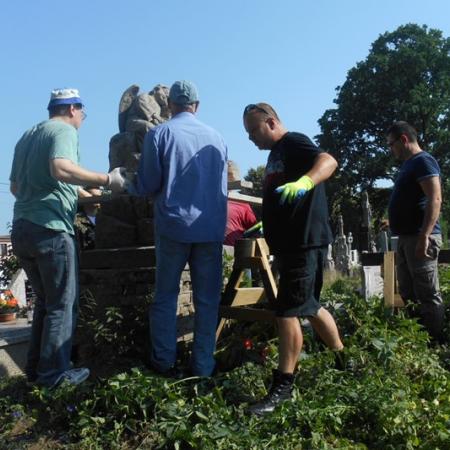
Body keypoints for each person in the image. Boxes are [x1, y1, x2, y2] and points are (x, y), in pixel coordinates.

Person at [9, 88, 126, 388]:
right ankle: (55, 378)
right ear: (73, 109)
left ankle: (35, 373)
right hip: (50, 230)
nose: (82, 121)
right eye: (82, 115)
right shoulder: (63, 130)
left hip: (23, 228)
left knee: (46, 305)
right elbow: (60, 169)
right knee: (63, 305)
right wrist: (107, 179)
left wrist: (84, 196)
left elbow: (16, 187)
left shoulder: (28, 136)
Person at [243, 102, 345, 415]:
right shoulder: (277, 154)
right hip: (293, 242)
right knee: (310, 306)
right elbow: (283, 196)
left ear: (271, 122)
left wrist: (306, 182)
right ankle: (344, 361)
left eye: (253, 131)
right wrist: (269, 220)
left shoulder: (294, 142)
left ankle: (283, 386)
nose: (251, 139)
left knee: (285, 311)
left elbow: (328, 161)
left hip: (304, 242)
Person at [127, 80, 228, 377]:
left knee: (166, 296)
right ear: (196, 106)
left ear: (170, 105)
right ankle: (203, 367)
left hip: (173, 227)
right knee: (208, 300)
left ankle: (164, 363)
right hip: (209, 228)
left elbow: (147, 184)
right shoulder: (217, 138)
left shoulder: (160, 133)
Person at [387, 121, 444, 342]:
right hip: (406, 238)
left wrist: (424, 236)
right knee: (408, 294)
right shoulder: (409, 165)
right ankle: (417, 340)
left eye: (391, 144)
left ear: (403, 139)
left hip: (420, 237)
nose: (391, 150)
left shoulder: (423, 161)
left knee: (427, 294)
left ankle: (435, 342)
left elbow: (435, 198)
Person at [224, 160, 258, 246]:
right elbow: (254, 229)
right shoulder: (242, 202)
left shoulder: (241, 202)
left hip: (233, 250)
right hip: (228, 249)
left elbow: (253, 228)